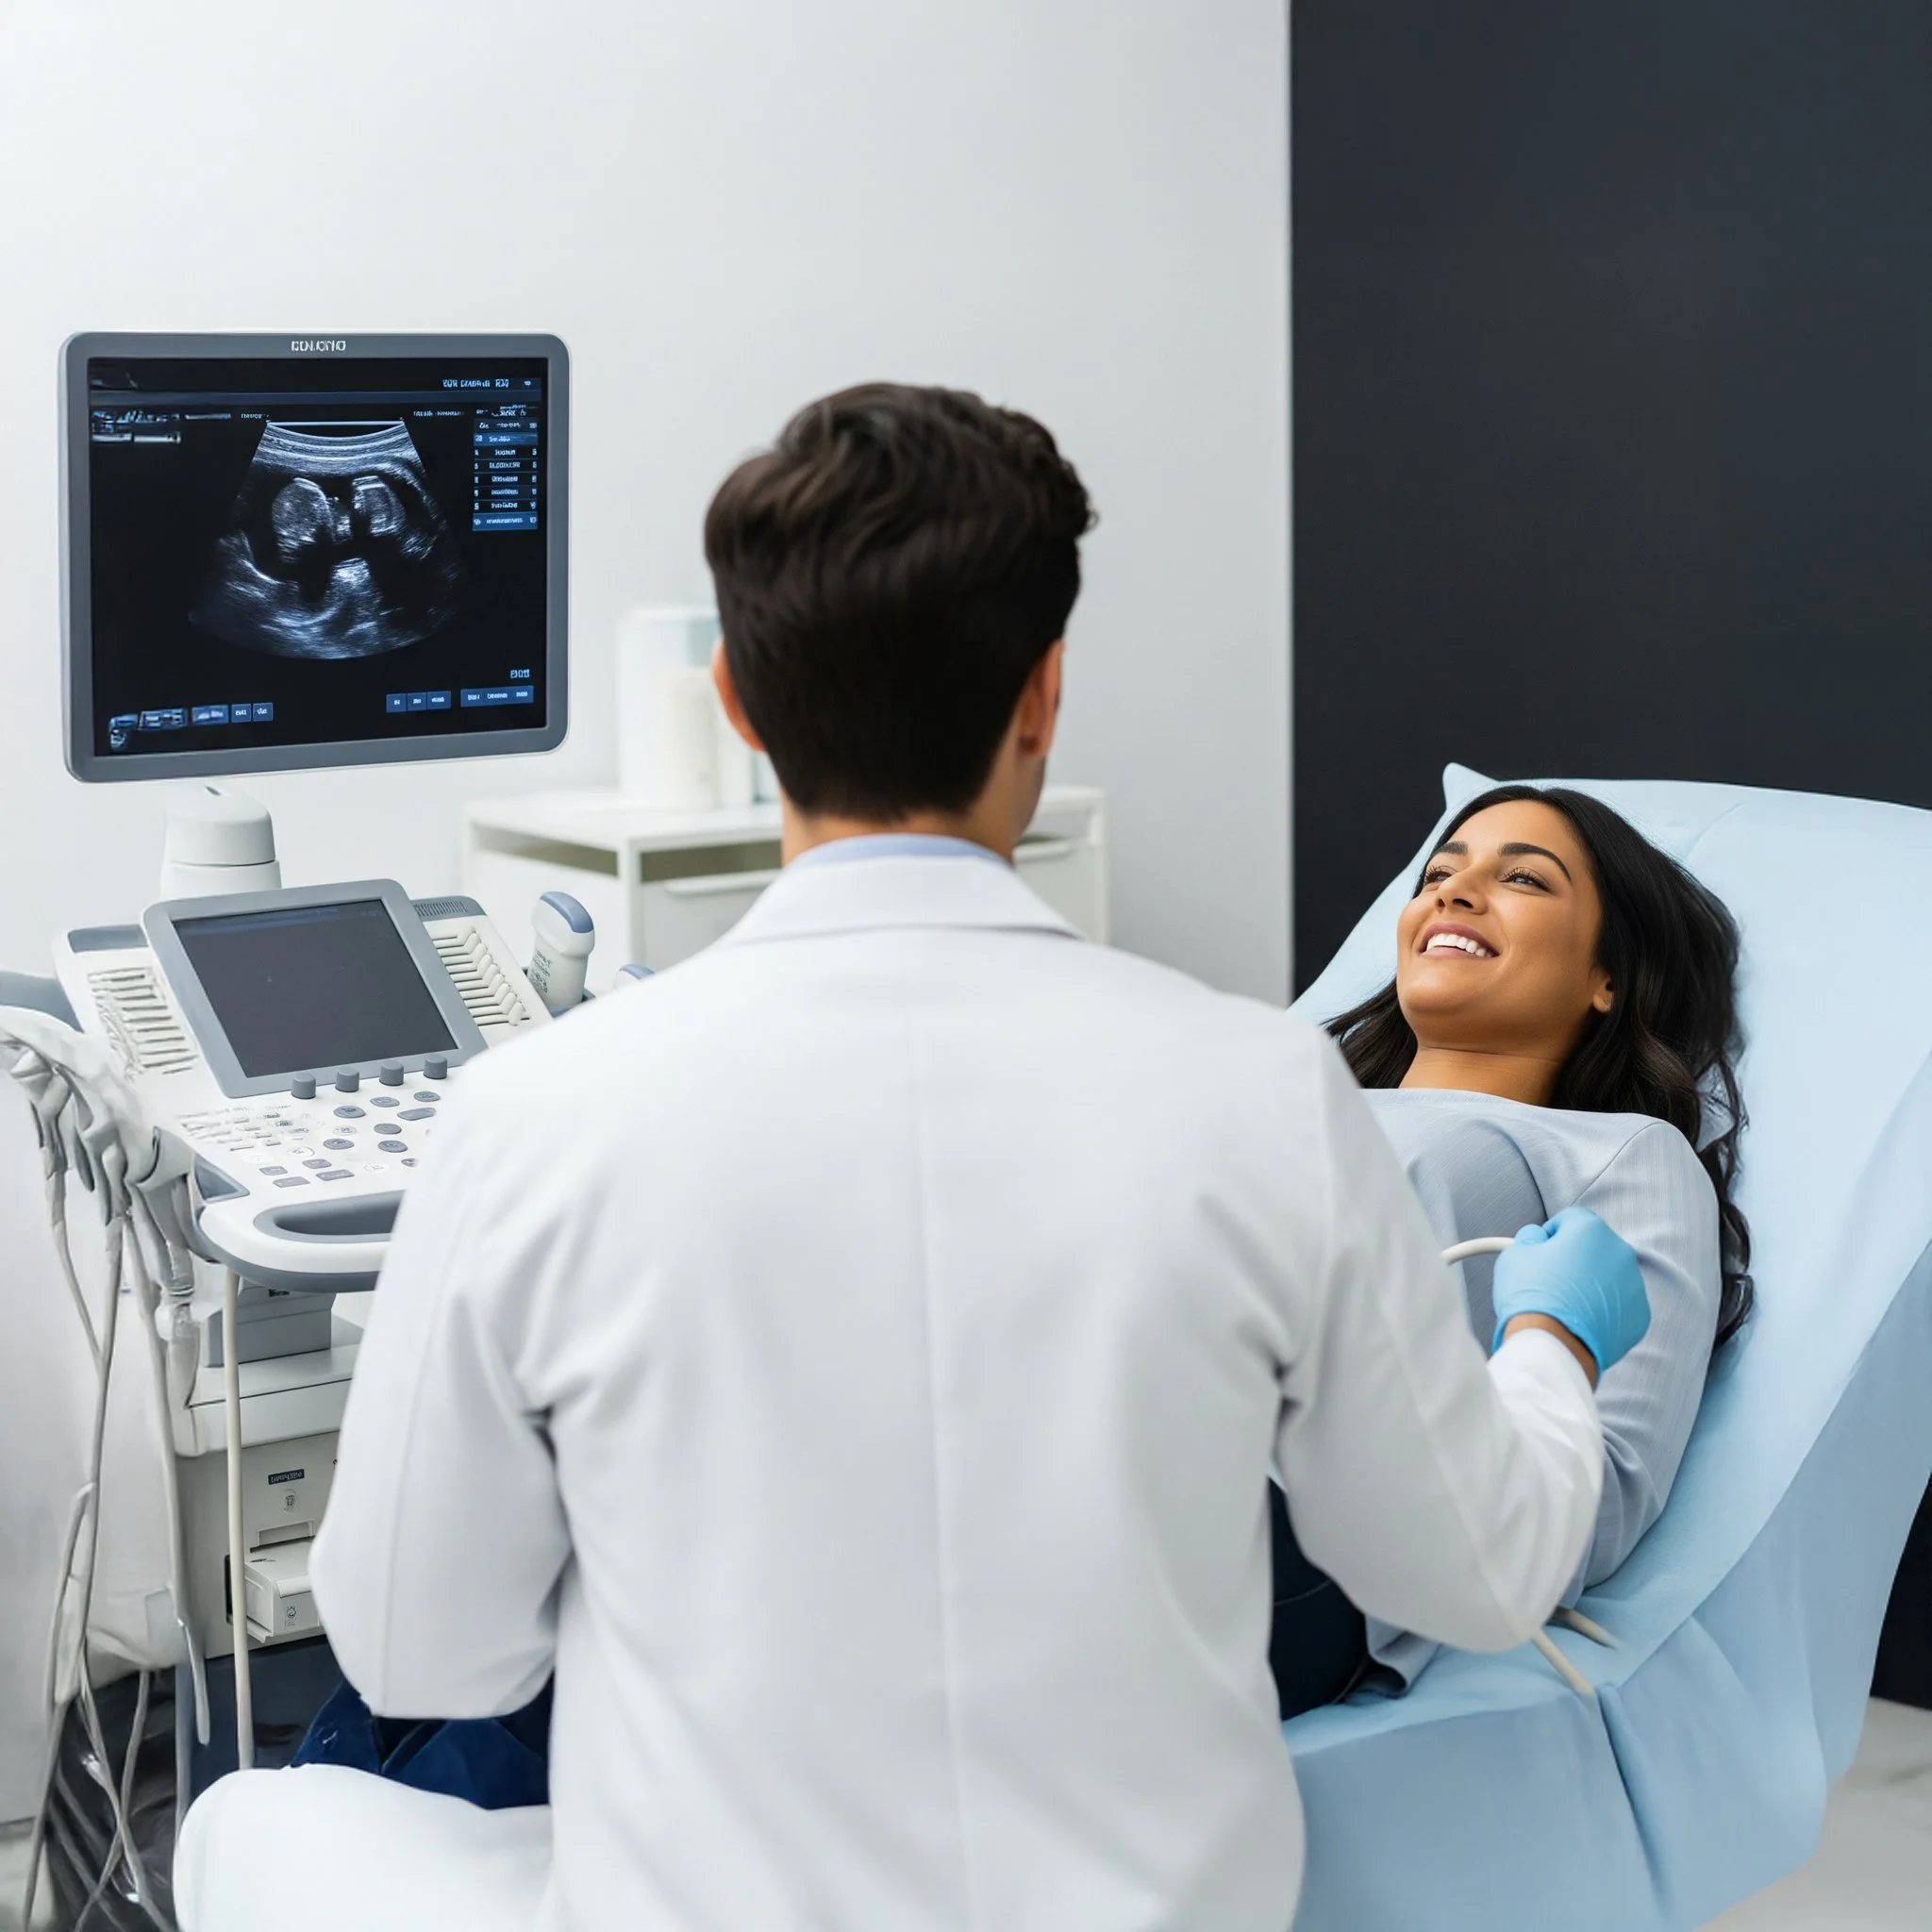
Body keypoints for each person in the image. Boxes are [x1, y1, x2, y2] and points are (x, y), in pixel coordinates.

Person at [190, 384, 1649, 1931]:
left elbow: (427, 1656)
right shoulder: (1263, 1095)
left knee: (244, 1826)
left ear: (737, 699)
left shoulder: (537, 1113)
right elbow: (1473, 1578)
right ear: (1042, 694)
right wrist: (1550, 1341)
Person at [1269, 784, 1750, 1710]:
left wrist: (1553, 1334)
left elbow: (1592, 1513)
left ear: (1603, 977)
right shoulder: (1268, 1098)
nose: (1451, 891)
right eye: (1437, 873)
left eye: (1521, 877)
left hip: (1291, 1541)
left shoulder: (1614, 1154)